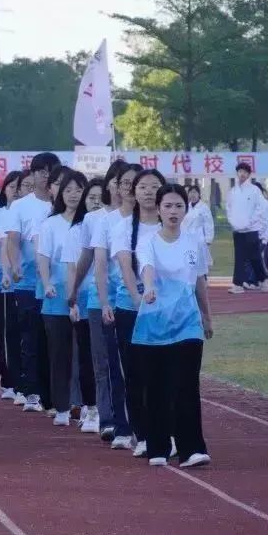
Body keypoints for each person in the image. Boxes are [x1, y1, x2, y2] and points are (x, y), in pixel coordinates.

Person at [136, 183, 213, 468]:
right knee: (157, 386)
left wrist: (207, 317)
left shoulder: (194, 242)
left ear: (186, 209)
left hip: (188, 323)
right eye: (167, 206)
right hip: (154, 323)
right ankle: (158, 446)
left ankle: (192, 448)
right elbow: (147, 268)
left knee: (186, 384)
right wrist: (149, 287)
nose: (173, 211)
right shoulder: (147, 242)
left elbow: (200, 281)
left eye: (179, 206)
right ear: (158, 209)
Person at [111, 168, 166, 458]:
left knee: (162, 374)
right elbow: (125, 267)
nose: (148, 192)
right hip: (131, 309)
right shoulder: (123, 227)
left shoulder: (169, 226)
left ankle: (165, 431)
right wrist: (138, 299)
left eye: (154, 186)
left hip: (166, 311)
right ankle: (142, 434)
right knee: (135, 374)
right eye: (142, 186)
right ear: (133, 191)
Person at [5, 153, 61, 413]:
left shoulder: (62, 205)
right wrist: (15, 265)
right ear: (33, 173)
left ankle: (56, 395)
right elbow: (13, 239)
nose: (45, 176)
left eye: (50, 171)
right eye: (41, 171)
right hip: (28, 282)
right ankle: (31, 391)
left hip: (59, 282)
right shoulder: (21, 206)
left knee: (55, 339)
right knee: (30, 336)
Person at [37, 170, 90, 428]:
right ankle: (61, 406)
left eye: (79, 190)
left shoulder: (91, 223)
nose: (73, 195)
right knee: (60, 354)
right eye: (68, 190)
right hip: (56, 296)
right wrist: (47, 282)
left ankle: (84, 404)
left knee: (85, 355)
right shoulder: (50, 224)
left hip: (87, 297)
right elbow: (43, 257)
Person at [93, 163, 140, 450]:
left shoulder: (154, 220)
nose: (132, 189)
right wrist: (104, 301)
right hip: (118, 303)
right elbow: (100, 265)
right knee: (119, 367)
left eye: (138, 183)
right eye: (126, 184)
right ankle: (122, 426)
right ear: (118, 188)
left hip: (151, 306)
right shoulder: (107, 222)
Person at [65, 175, 111, 436]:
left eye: (99, 197)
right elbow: (75, 265)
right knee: (88, 357)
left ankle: (111, 410)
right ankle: (91, 408)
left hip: (113, 297)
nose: (95, 202)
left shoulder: (120, 221)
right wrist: (72, 297)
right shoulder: (80, 228)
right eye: (91, 197)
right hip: (86, 297)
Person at [0, 171, 24, 405]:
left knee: (24, 332)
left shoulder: (28, 212)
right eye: (12, 187)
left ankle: (25, 379)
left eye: (20, 187)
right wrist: (3, 270)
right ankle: (8, 379)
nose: (16, 191)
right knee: (6, 330)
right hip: (4, 281)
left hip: (27, 281)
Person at [226, 163, 267, 293]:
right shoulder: (233, 191)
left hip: (251, 229)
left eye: (245, 172)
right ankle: (238, 285)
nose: (242, 174)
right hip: (238, 230)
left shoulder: (254, 190)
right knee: (239, 257)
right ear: (237, 173)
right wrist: (233, 222)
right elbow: (228, 208)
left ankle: (263, 279)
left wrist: (250, 222)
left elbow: (260, 208)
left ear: (249, 175)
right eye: (240, 171)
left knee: (254, 257)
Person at [181, 184, 215, 266]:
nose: (192, 195)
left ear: (199, 194)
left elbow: (209, 224)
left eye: (195, 192)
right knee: (188, 261)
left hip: (199, 239)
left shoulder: (204, 207)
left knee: (200, 263)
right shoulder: (186, 207)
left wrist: (208, 239)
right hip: (187, 238)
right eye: (190, 192)